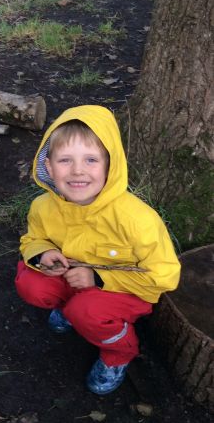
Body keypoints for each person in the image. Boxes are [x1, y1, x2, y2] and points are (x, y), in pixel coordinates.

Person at [15, 105, 180, 395]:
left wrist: (99, 279)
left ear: (109, 164)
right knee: (31, 283)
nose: (77, 170)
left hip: (124, 291)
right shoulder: (42, 207)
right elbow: (32, 239)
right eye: (65, 160)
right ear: (49, 167)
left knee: (88, 311)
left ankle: (119, 354)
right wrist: (42, 254)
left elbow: (165, 275)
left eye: (91, 160)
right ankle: (68, 309)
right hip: (72, 279)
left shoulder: (136, 219)